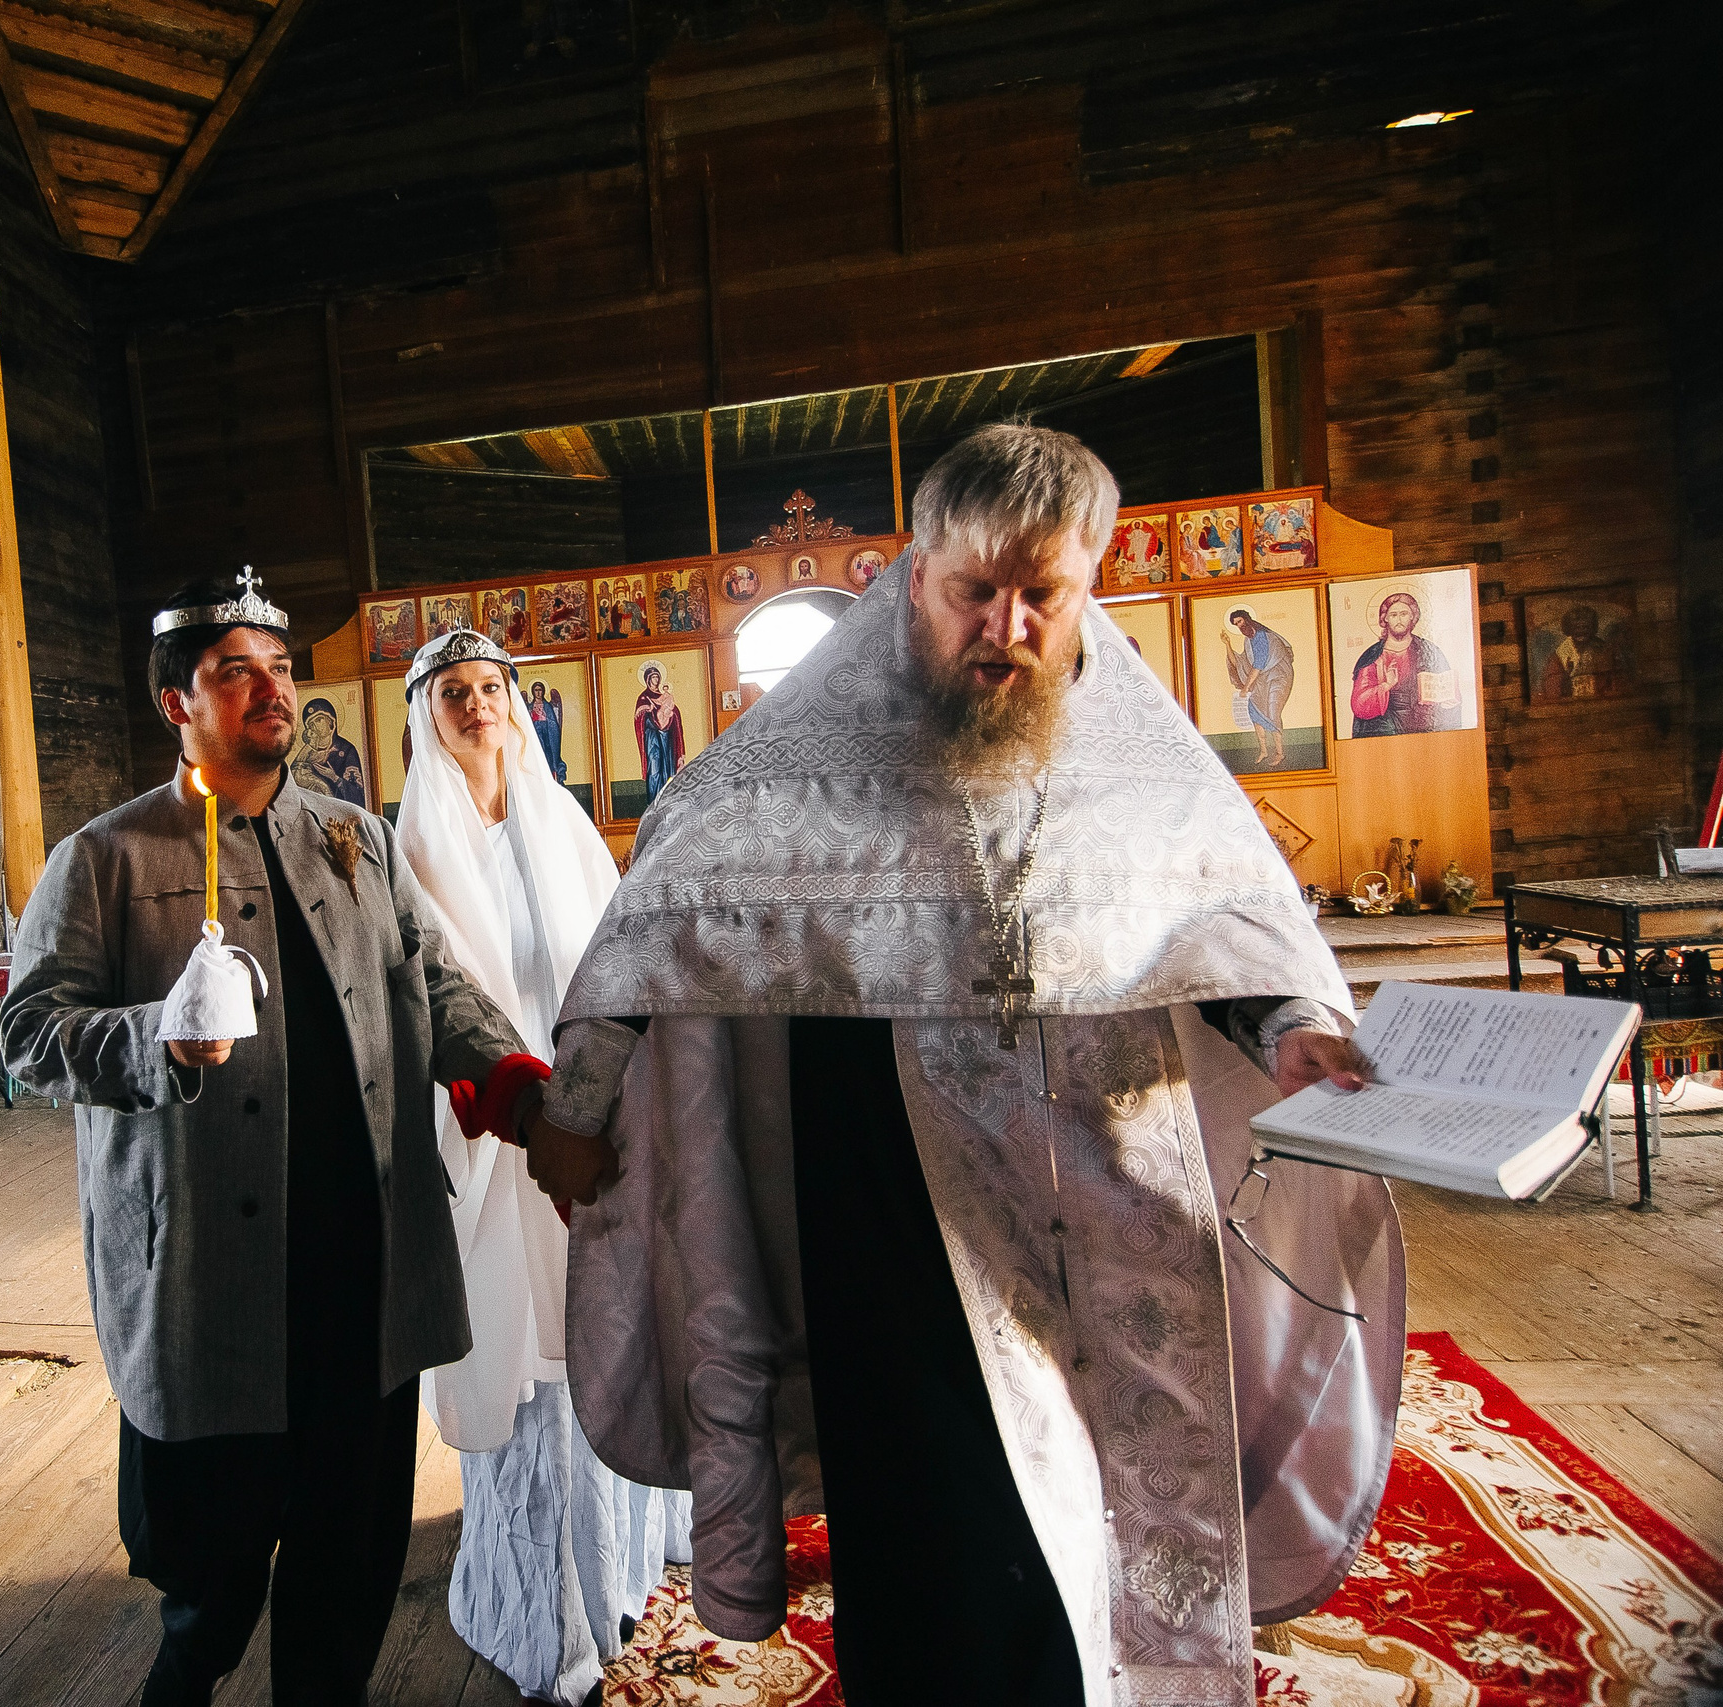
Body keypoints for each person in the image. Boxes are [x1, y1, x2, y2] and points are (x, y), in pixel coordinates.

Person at [520, 424, 1406, 1704]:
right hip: (897, 1225)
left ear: (1084, 586)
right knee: (938, 1532)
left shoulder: (1139, 760)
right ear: (912, 578)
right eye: (972, 590)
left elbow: (1227, 927)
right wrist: (578, 1105)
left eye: (1042, 594)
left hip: (1114, 1199)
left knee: (1112, 1504)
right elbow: (656, 929)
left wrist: (1291, 1032)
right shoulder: (789, 760)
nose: (1006, 626)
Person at [0, 571, 545, 1707]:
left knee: (346, 1582)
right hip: (214, 1280)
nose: (269, 690)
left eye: (280, 668)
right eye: (232, 671)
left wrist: (511, 1082)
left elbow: (431, 980)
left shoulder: (354, 837)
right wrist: (157, 1035)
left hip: (363, 1270)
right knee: (210, 1593)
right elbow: (29, 1037)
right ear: (175, 702)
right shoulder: (106, 860)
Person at [394, 630, 690, 1705]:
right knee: (521, 1347)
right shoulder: (407, 846)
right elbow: (421, 1000)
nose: (477, 705)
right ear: (425, 714)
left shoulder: (560, 817)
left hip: (589, 1105)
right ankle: (541, 1596)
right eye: (456, 692)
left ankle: (625, 1548)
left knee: (605, 1324)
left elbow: (618, 952)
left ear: (518, 705)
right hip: (487, 1122)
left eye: (491, 688)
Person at [1349, 590, 1462, 735]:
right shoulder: (1373, 656)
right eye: (1393, 615)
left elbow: (1447, 690)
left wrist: (1449, 704)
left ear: (1412, 617)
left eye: (1403, 614)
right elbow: (1359, 704)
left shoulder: (1428, 650)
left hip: (1422, 724)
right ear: (1386, 619)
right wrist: (1386, 685)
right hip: (1386, 726)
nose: (1399, 620)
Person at [1226, 607, 1297, 768]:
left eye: (1240, 621)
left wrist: (1246, 688)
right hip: (1262, 680)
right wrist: (1227, 644)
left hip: (1277, 677)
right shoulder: (1249, 640)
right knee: (1254, 711)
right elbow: (1240, 664)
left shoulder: (1262, 636)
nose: (1239, 626)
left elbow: (1258, 664)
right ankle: (1264, 750)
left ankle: (1279, 753)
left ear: (1246, 619)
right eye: (1236, 624)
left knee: (1272, 712)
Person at [294, 696, 368, 806]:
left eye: (319, 720)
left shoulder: (346, 750)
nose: (315, 726)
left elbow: (357, 794)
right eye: (311, 724)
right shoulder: (306, 753)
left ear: (331, 721)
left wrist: (334, 777)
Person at [632, 665, 683, 802]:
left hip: (667, 738)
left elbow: (675, 715)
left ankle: (668, 799)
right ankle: (654, 800)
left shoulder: (665, 697)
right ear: (647, 680)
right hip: (652, 738)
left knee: (668, 766)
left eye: (657, 677)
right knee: (654, 767)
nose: (655, 680)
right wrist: (651, 714)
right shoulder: (643, 698)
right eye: (652, 677)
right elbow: (639, 721)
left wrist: (669, 715)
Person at [527, 680, 567, 784]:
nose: (538, 693)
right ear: (533, 692)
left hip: (547, 733)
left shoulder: (548, 706)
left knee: (548, 756)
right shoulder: (529, 707)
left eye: (540, 690)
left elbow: (553, 722)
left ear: (543, 691)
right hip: (535, 733)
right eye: (536, 690)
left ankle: (552, 778)